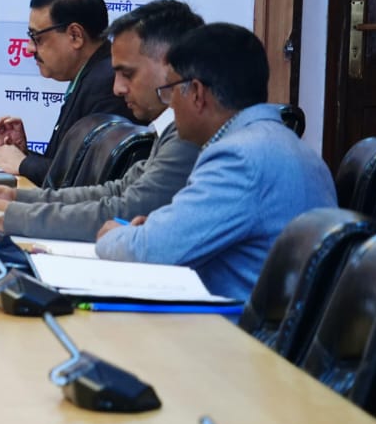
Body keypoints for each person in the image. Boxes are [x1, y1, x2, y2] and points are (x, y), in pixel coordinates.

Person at [96, 23, 336, 301]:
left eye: (171, 91)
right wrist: (155, 229)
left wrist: (113, 235)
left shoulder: (239, 158)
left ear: (197, 94)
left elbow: (151, 251)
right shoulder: (279, 143)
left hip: (232, 324)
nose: (170, 104)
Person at [0, 0, 204, 241]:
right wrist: (16, 198)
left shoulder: (190, 136)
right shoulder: (172, 129)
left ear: (171, 66)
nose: (118, 88)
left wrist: (13, 215)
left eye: (128, 74)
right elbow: (118, 191)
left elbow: (125, 210)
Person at [0, 0, 132, 183]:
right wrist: (23, 153)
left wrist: (24, 163)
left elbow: (89, 180)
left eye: (37, 38)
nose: (29, 48)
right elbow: (65, 168)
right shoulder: (89, 75)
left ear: (75, 36)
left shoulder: (108, 83)